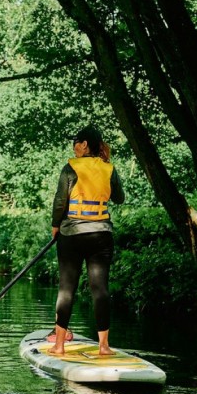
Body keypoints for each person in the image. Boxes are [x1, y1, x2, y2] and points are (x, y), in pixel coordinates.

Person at [48, 125, 124, 356]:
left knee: (66, 289)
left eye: (76, 143)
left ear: (84, 145)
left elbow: (61, 201)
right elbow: (119, 198)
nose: (74, 147)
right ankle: (104, 347)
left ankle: (59, 345)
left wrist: (54, 226)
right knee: (100, 289)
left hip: (71, 235)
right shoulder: (109, 168)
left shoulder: (71, 167)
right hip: (101, 235)